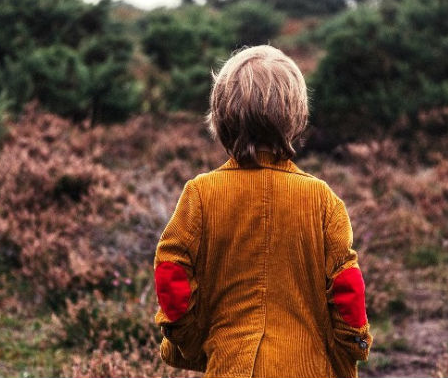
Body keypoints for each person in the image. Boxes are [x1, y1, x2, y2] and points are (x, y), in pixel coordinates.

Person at [153, 45, 372, 378]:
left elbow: (172, 273)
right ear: (296, 116)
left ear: (221, 115)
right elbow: (347, 288)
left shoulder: (200, 194)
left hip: (230, 366)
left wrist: (192, 340)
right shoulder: (322, 199)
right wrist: (351, 349)